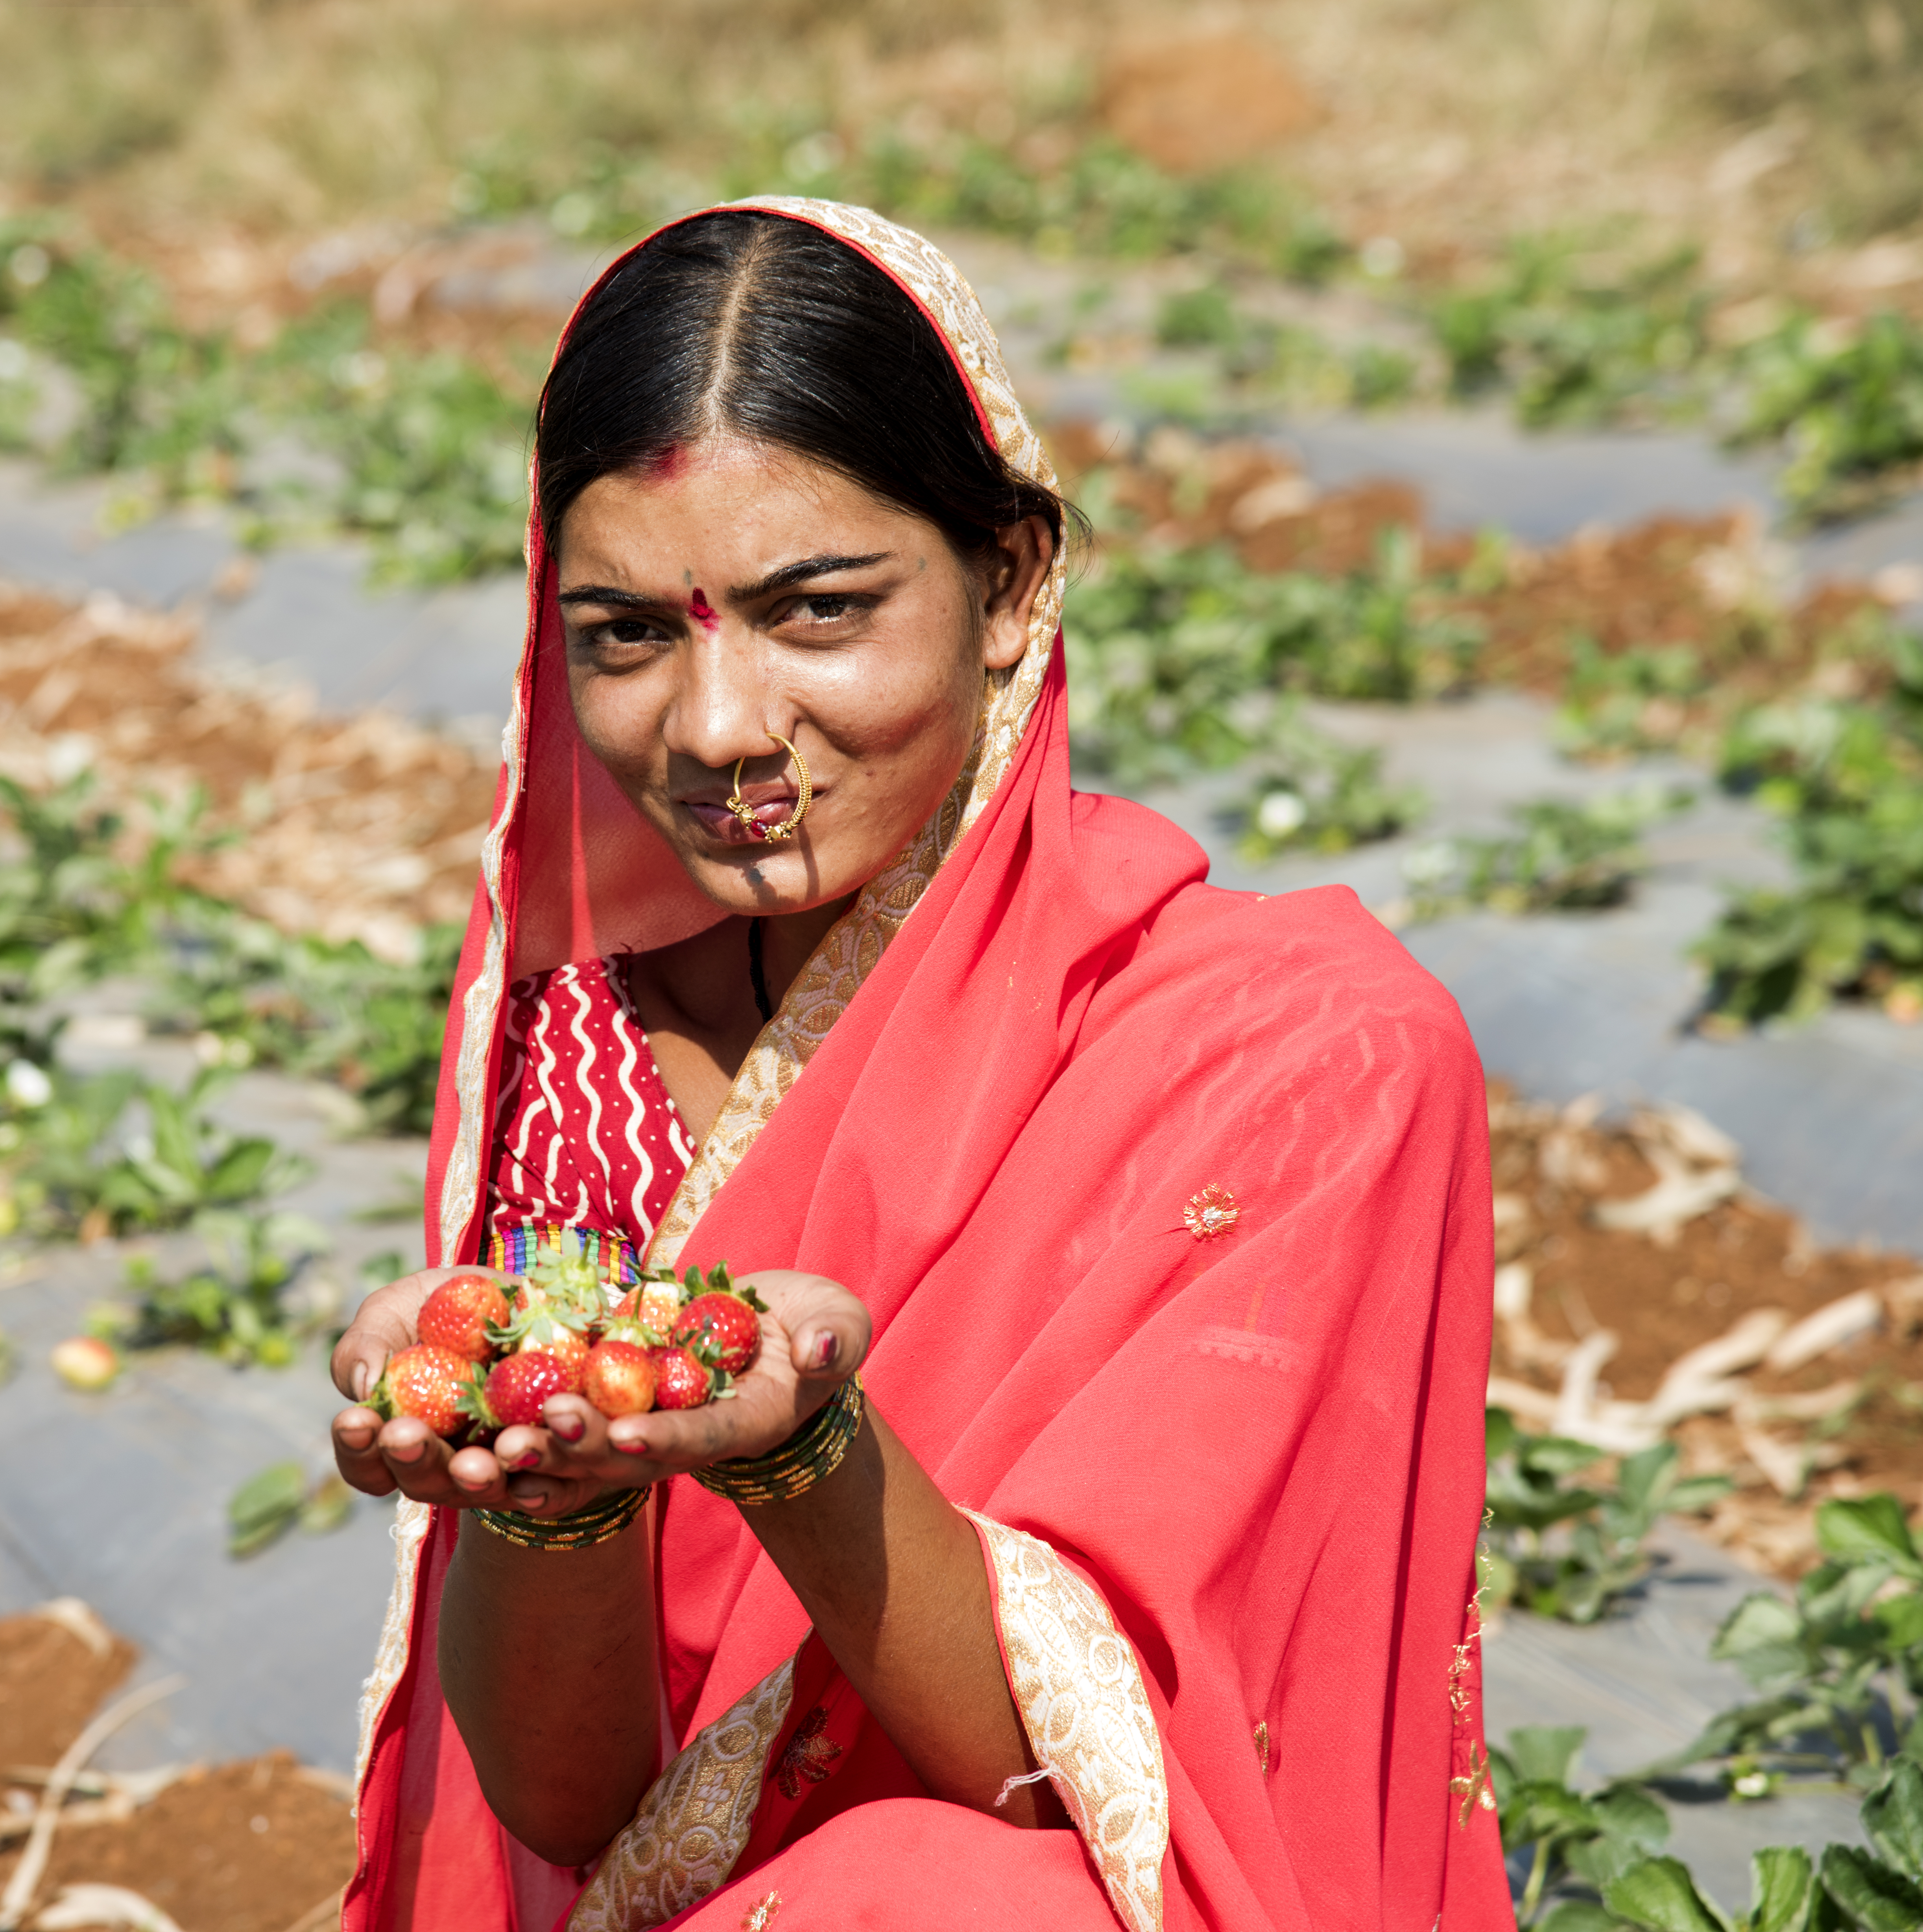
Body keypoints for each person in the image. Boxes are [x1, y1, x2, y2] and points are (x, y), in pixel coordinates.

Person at [325, 199, 1505, 1932]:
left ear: (1011, 581)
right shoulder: (592, 1055)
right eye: (628, 633)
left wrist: (804, 1451)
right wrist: (547, 1481)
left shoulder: (1304, 1058)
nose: (718, 728)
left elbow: (1115, 1799)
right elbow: (577, 1810)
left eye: (817, 612)